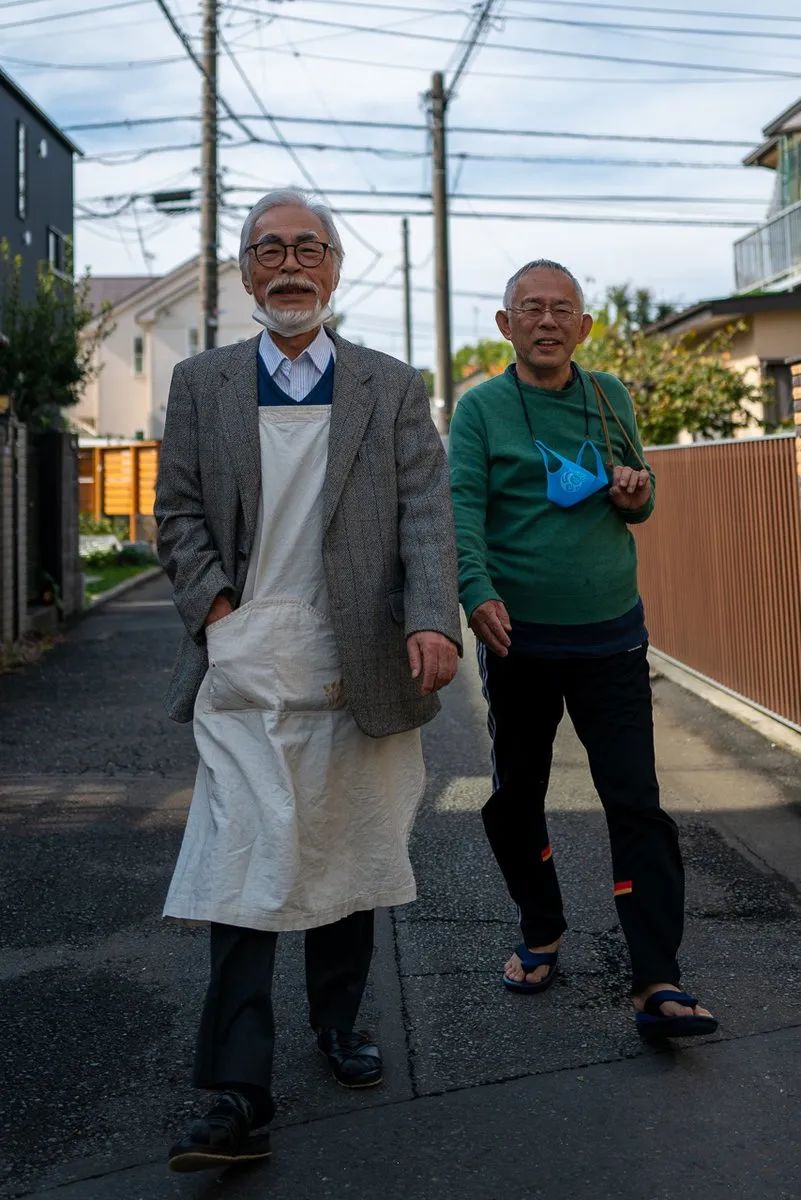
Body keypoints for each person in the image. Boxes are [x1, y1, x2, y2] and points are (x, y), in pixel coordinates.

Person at [155, 188, 461, 1173]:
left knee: (346, 846)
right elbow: (177, 514)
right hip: (246, 659)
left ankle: (338, 1020)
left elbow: (425, 514)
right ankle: (236, 1091)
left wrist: (430, 617)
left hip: (354, 656)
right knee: (242, 862)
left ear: (334, 265)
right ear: (246, 269)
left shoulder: (390, 385)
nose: (289, 265)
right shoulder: (201, 383)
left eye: (307, 248)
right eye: (269, 249)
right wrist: (221, 617)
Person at [448, 258, 716, 1040]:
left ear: (584, 326)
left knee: (635, 802)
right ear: (505, 324)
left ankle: (656, 977)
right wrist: (475, 590)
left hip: (611, 637)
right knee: (516, 796)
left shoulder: (608, 396)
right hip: (518, 639)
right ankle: (541, 928)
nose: (547, 320)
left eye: (562, 308)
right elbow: (462, 507)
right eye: (530, 307)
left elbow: (642, 493)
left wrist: (636, 491)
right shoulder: (481, 408)